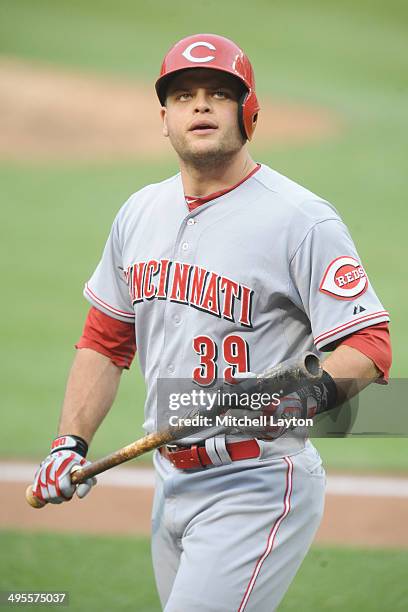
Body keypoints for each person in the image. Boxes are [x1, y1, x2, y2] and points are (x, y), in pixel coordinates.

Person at [31, 34, 392, 611]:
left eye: (219, 94)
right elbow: (104, 341)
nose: (200, 105)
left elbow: (371, 347)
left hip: (257, 485)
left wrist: (275, 400)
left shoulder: (300, 220)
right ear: (164, 118)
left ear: (248, 112)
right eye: (184, 95)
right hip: (169, 481)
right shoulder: (139, 213)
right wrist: (69, 444)